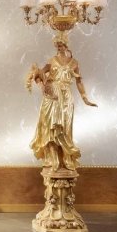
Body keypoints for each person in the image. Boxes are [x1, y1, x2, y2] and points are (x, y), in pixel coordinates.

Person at [27, 33, 97, 172]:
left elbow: (79, 81)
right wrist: (41, 86)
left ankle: (66, 159)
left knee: (64, 129)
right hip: (52, 96)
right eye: (57, 46)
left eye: (60, 45)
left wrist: (85, 98)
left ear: (66, 45)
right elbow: (38, 73)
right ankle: (53, 160)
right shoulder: (51, 61)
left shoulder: (74, 63)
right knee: (51, 128)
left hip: (66, 98)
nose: (58, 48)